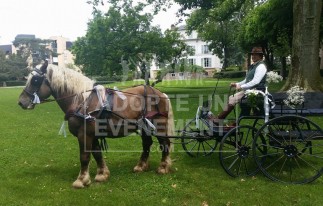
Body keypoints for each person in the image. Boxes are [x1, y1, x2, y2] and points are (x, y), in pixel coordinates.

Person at [214, 46, 267, 120]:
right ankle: (220, 118)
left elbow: (256, 82)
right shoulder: (253, 66)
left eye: (255, 55)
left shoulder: (261, 66)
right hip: (251, 91)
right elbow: (246, 80)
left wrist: (241, 87)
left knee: (233, 98)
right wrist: (237, 84)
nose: (253, 56)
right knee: (231, 98)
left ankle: (219, 119)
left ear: (260, 56)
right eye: (252, 54)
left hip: (257, 92)